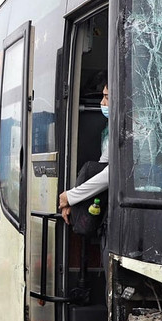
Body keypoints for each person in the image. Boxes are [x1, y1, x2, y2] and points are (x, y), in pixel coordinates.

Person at [59, 82, 109, 225]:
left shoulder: (137, 129)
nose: (102, 102)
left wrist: (71, 196)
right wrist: (74, 201)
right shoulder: (113, 129)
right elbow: (100, 168)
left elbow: (114, 173)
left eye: (106, 97)